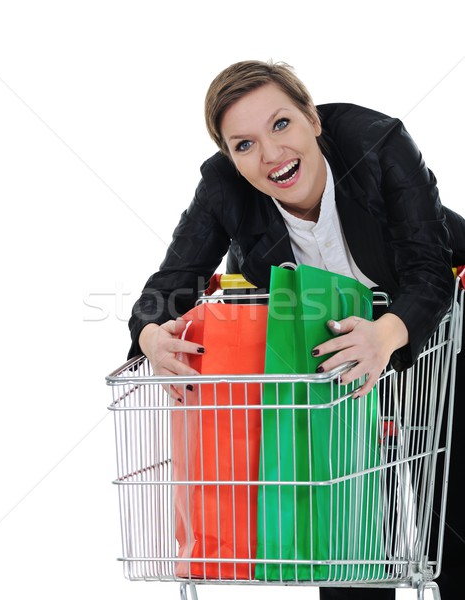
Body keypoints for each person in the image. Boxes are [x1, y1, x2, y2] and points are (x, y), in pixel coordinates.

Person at [127, 60, 465, 599]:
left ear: (313, 119)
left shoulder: (378, 145)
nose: (270, 155)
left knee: (449, 520)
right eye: (243, 144)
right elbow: (167, 287)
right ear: (229, 157)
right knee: (344, 542)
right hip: (331, 359)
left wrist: (387, 333)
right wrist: (150, 337)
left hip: (432, 336)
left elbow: (429, 273)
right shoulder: (222, 189)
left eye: (281, 124)